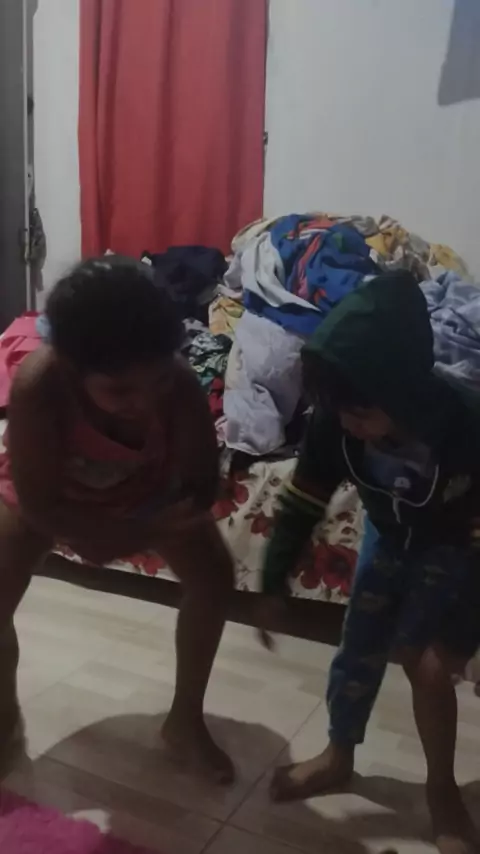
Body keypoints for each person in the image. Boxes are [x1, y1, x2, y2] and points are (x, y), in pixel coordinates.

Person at [258, 271, 480, 854]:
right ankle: (338, 754)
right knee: (358, 647)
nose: (347, 424)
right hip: (388, 533)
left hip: (456, 545)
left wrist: (461, 632)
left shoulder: (465, 425)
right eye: (339, 412)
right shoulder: (336, 420)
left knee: (426, 668)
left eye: (360, 412)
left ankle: (441, 789)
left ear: (403, 392)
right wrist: (273, 578)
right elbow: (304, 497)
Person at [0, 256, 234, 782]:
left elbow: (200, 484)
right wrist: (102, 536)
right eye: (120, 391)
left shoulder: (177, 386)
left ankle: (185, 721)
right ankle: (3, 721)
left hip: (145, 491)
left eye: (156, 381)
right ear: (71, 368)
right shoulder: (39, 385)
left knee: (216, 579)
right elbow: (39, 506)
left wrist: (147, 528)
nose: (143, 402)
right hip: (51, 495)